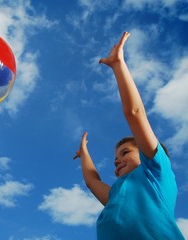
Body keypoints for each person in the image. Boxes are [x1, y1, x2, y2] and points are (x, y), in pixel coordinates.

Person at [73, 32, 184, 239]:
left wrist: (118, 65)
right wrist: (84, 154)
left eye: (125, 153)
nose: (117, 161)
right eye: (116, 158)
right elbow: (92, 181)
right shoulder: (115, 195)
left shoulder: (156, 173)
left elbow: (134, 113)